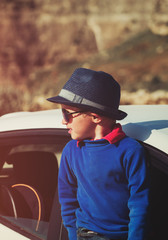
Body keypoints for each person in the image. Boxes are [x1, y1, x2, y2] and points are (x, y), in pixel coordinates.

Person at [46, 68, 150, 240]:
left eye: (67, 113)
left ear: (95, 117)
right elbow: (67, 199)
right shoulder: (71, 151)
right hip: (85, 235)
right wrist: (73, 235)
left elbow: (139, 203)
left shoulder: (130, 150)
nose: (63, 120)